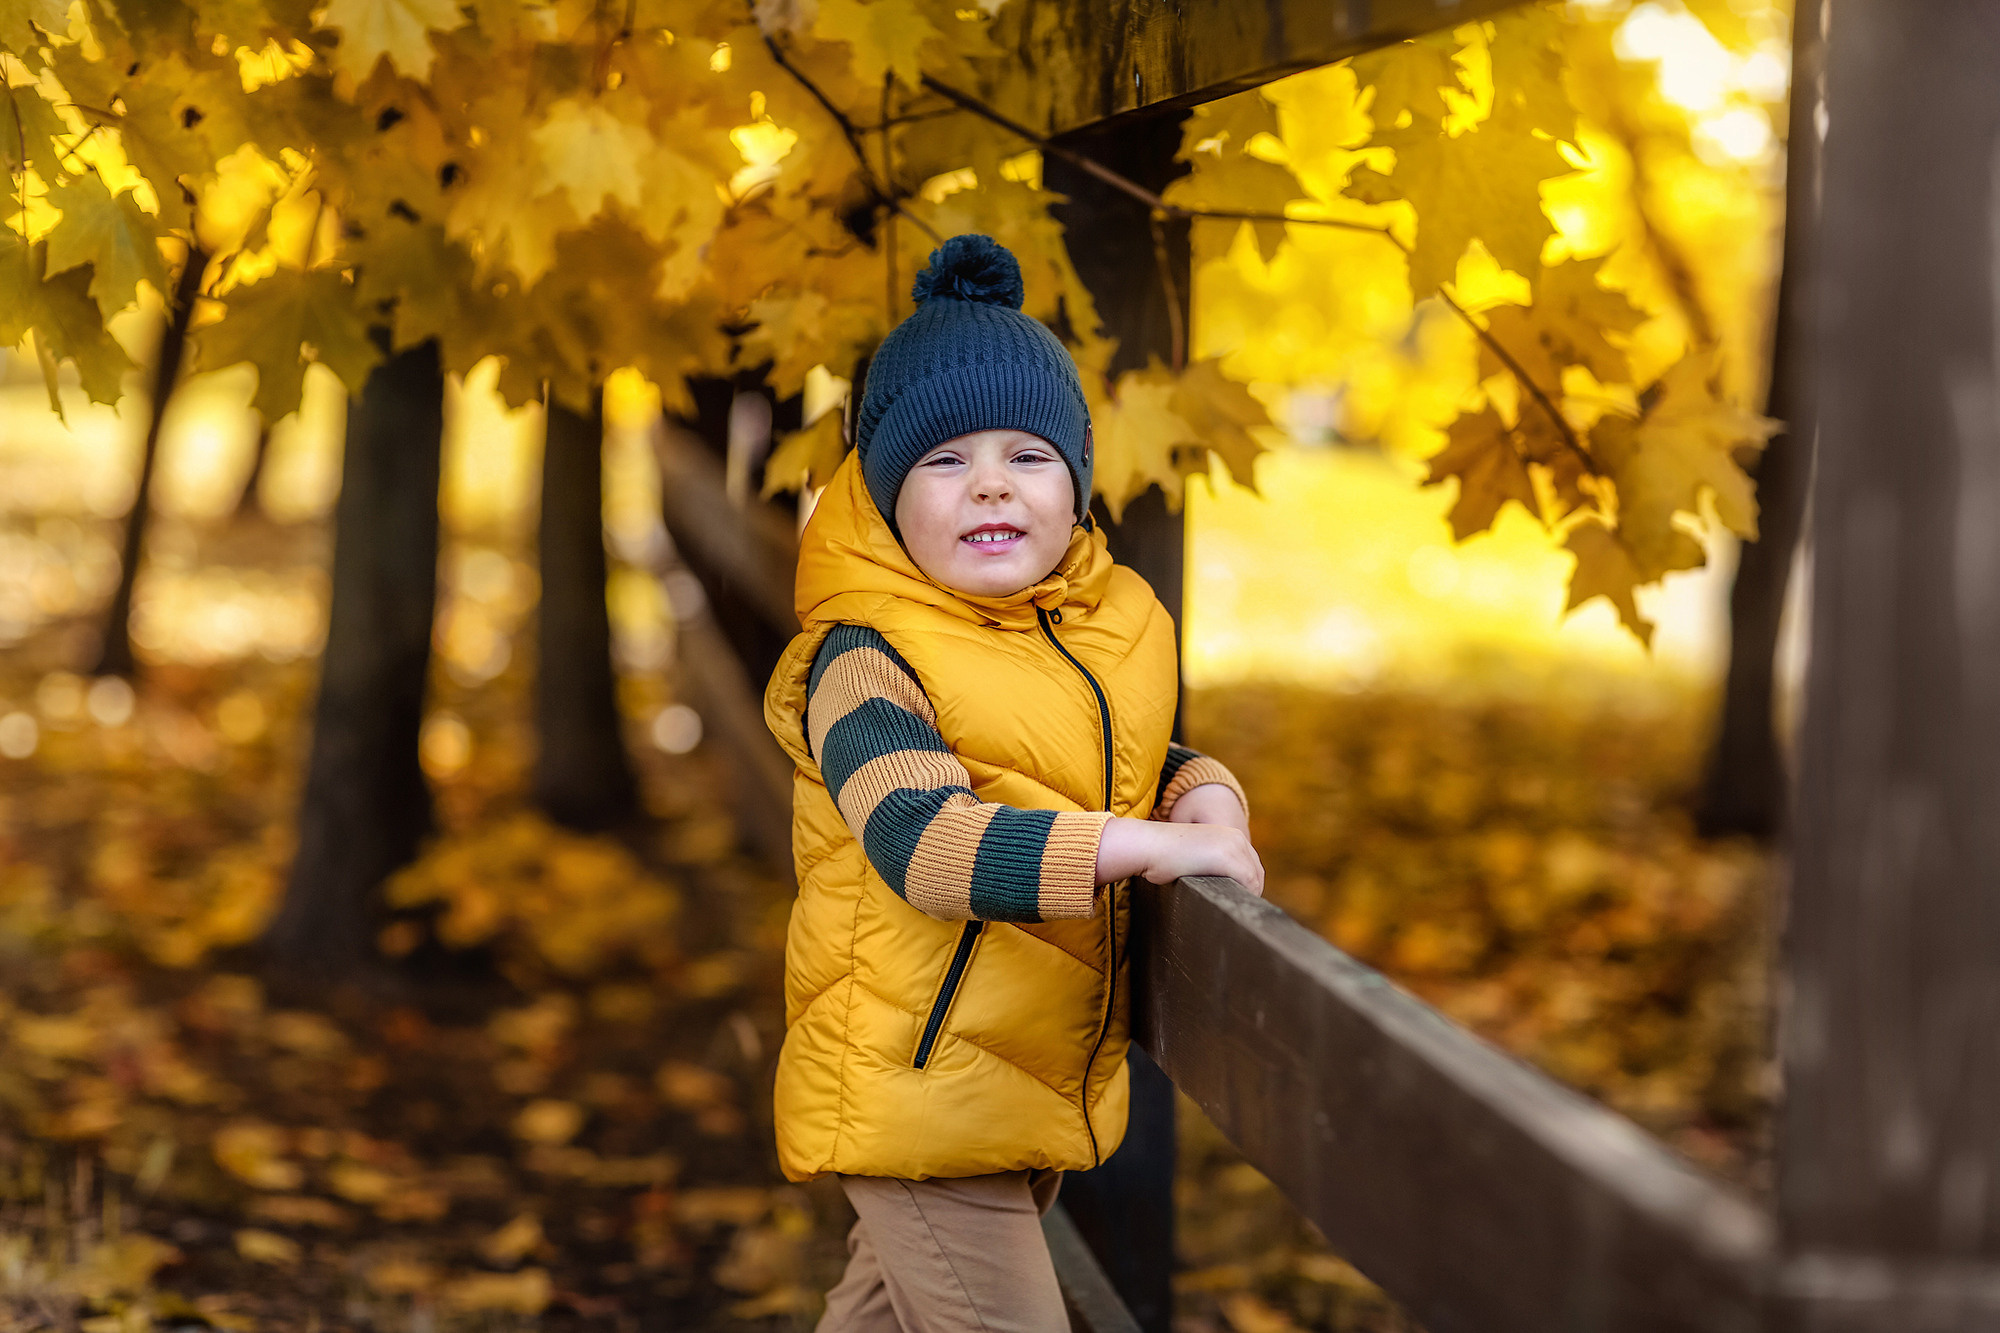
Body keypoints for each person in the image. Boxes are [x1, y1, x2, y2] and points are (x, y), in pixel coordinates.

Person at [763, 233, 1265, 1332]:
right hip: (916, 1089)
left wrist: (1203, 795)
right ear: (888, 494)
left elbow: (1112, 760)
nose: (989, 481)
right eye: (944, 461)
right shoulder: (861, 659)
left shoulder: (1080, 626)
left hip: (1005, 1083)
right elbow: (922, 841)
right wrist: (1143, 848)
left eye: (1027, 456)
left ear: (1074, 485)